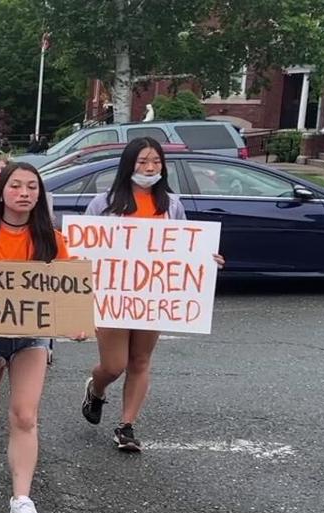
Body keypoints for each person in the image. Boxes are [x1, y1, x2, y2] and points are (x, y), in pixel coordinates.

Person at [0, 161, 84, 513]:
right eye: (16, 186)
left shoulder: (52, 239)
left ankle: (21, 500)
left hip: (32, 338)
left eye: (32, 187)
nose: (24, 193)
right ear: (1, 191)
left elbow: (67, 288)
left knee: (25, 415)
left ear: (40, 195)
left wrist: (73, 323)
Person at [80, 138, 224, 452]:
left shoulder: (170, 204)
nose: (149, 168)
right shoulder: (103, 203)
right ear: (129, 163)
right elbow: (88, 249)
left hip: (153, 295)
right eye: (143, 161)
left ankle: (126, 426)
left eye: (156, 162)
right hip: (114, 296)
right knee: (114, 365)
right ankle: (96, 390)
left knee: (141, 360)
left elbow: (184, 244)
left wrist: (205, 258)